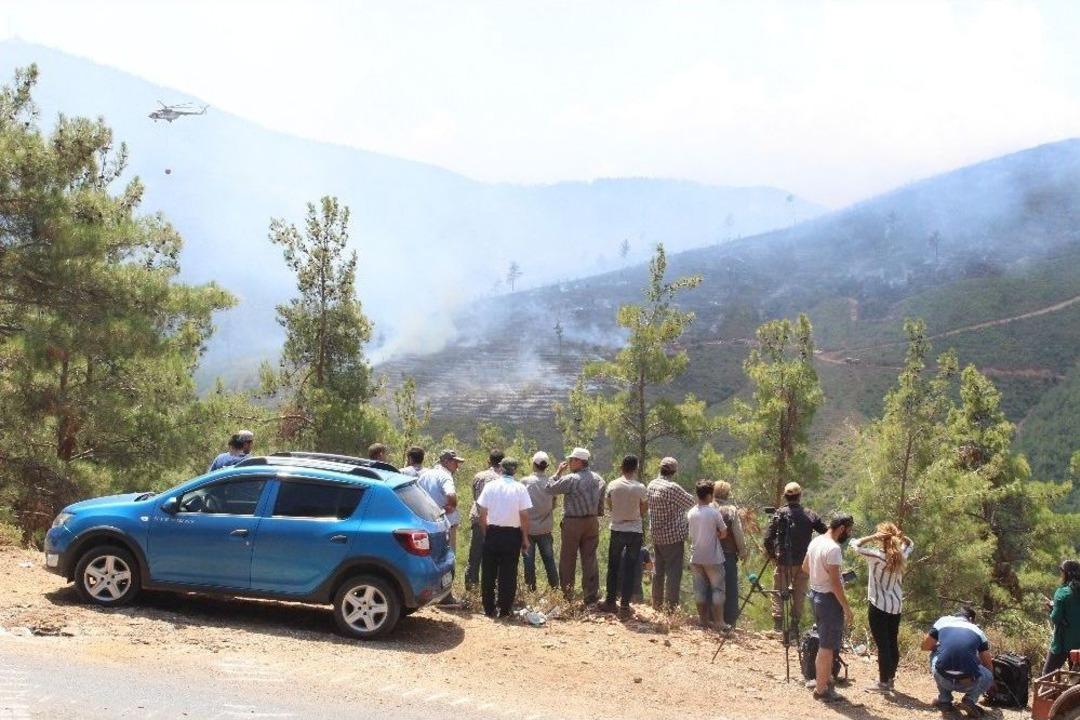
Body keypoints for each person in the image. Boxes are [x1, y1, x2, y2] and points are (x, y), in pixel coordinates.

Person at [851, 522, 914, 691]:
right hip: (895, 605)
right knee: (892, 642)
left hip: (878, 604)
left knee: (882, 645)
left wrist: (872, 536)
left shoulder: (876, 556)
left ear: (881, 538)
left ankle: (883, 682)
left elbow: (855, 545)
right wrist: (901, 536)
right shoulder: (902, 555)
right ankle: (890, 679)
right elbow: (910, 544)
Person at [803, 513, 855, 704]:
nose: (848, 535)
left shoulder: (816, 541)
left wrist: (819, 578)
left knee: (824, 643)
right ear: (841, 529)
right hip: (828, 601)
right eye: (848, 531)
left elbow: (805, 567)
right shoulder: (833, 549)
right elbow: (835, 583)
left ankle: (821, 681)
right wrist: (846, 608)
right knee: (827, 647)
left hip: (815, 595)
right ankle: (821, 689)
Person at [764, 482, 827, 634]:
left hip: (783, 560)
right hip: (804, 562)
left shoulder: (779, 514)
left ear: (785, 497)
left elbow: (767, 539)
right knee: (799, 593)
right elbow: (826, 532)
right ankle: (794, 627)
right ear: (800, 496)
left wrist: (773, 555)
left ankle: (778, 626)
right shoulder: (810, 514)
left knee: (778, 591)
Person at [545, 447, 606, 604]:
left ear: (579, 461)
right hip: (592, 522)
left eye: (572, 460)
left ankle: (567, 596)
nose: (570, 462)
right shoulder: (599, 479)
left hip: (573, 522)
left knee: (568, 559)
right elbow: (600, 504)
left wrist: (558, 472)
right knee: (590, 559)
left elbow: (549, 489)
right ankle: (590, 595)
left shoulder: (571, 479)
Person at [476, 457, 532, 618]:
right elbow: (524, 516)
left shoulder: (490, 486)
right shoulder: (520, 488)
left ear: (500, 468)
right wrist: (525, 538)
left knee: (488, 572)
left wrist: (486, 532)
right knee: (508, 573)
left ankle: (488, 608)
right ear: (514, 470)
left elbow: (482, 513)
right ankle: (505, 609)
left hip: (492, 532)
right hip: (512, 535)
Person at [921, 608, 995, 715]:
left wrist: (939, 646)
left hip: (943, 678)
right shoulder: (978, 632)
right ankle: (970, 700)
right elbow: (988, 664)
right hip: (968, 682)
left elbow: (925, 646)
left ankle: (944, 700)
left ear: (956, 615)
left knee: (935, 652)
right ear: (970, 619)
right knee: (988, 673)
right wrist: (990, 682)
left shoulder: (943, 621)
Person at [646, 457, 696, 611]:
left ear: (660, 468)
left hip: (656, 534)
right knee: (673, 573)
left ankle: (656, 604)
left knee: (658, 571)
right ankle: (671, 608)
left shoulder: (651, 484)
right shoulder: (672, 488)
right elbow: (691, 503)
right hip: (672, 537)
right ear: (674, 471)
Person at [602, 455, 648, 618]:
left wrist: (617, 513)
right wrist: (635, 515)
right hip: (635, 530)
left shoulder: (613, 485)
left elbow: (609, 503)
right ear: (635, 468)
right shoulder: (640, 487)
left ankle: (610, 601)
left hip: (617, 528)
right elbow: (644, 507)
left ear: (621, 467)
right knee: (630, 567)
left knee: (613, 566)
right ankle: (625, 605)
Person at [417, 449, 464, 605]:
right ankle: (446, 596)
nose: (457, 466)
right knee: (448, 559)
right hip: (445, 526)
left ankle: (429, 593)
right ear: (445, 461)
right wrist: (452, 505)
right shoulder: (445, 476)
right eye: (454, 462)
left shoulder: (425, 475)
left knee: (432, 560)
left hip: (427, 524)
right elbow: (450, 495)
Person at [687, 480, 728, 629]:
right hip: (713, 557)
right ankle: (719, 622)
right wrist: (715, 534)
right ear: (710, 495)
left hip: (696, 556)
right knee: (717, 588)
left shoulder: (691, 513)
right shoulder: (713, 512)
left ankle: (703, 621)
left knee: (699, 589)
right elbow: (723, 533)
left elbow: (691, 533)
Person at [465, 449, 505, 590]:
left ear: (489, 461)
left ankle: (471, 588)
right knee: (495, 558)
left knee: (475, 556)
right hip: (496, 522)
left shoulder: (478, 476)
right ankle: (492, 589)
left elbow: (475, 498)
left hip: (478, 519)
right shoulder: (503, 480)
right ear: (502, 463)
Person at [520, 451, 560, 592]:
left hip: (528, 529)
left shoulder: (525, 482)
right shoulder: (551, 483)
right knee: (549, 561)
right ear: (546, 466)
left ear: (533, 465)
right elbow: (554, 504)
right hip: (545, 529)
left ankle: (531, 590)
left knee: (528, 562)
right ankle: (555, 589)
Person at [712, 480, 748, 628]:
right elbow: (738, 534)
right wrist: (743, 551)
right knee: (730, 588)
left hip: (710, 553)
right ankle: (729, 620)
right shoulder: (731, 510)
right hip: (727, 554)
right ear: (727, 494)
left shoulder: (708, 508)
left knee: (712, 586)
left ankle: (711, 617)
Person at [1042, 559, 1080, 674]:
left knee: (1046, 675)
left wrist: (1051, 608)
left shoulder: (1062, 592)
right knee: (1075, 678)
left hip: (1063, 643)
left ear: (1066, 574)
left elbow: (1056, 618)